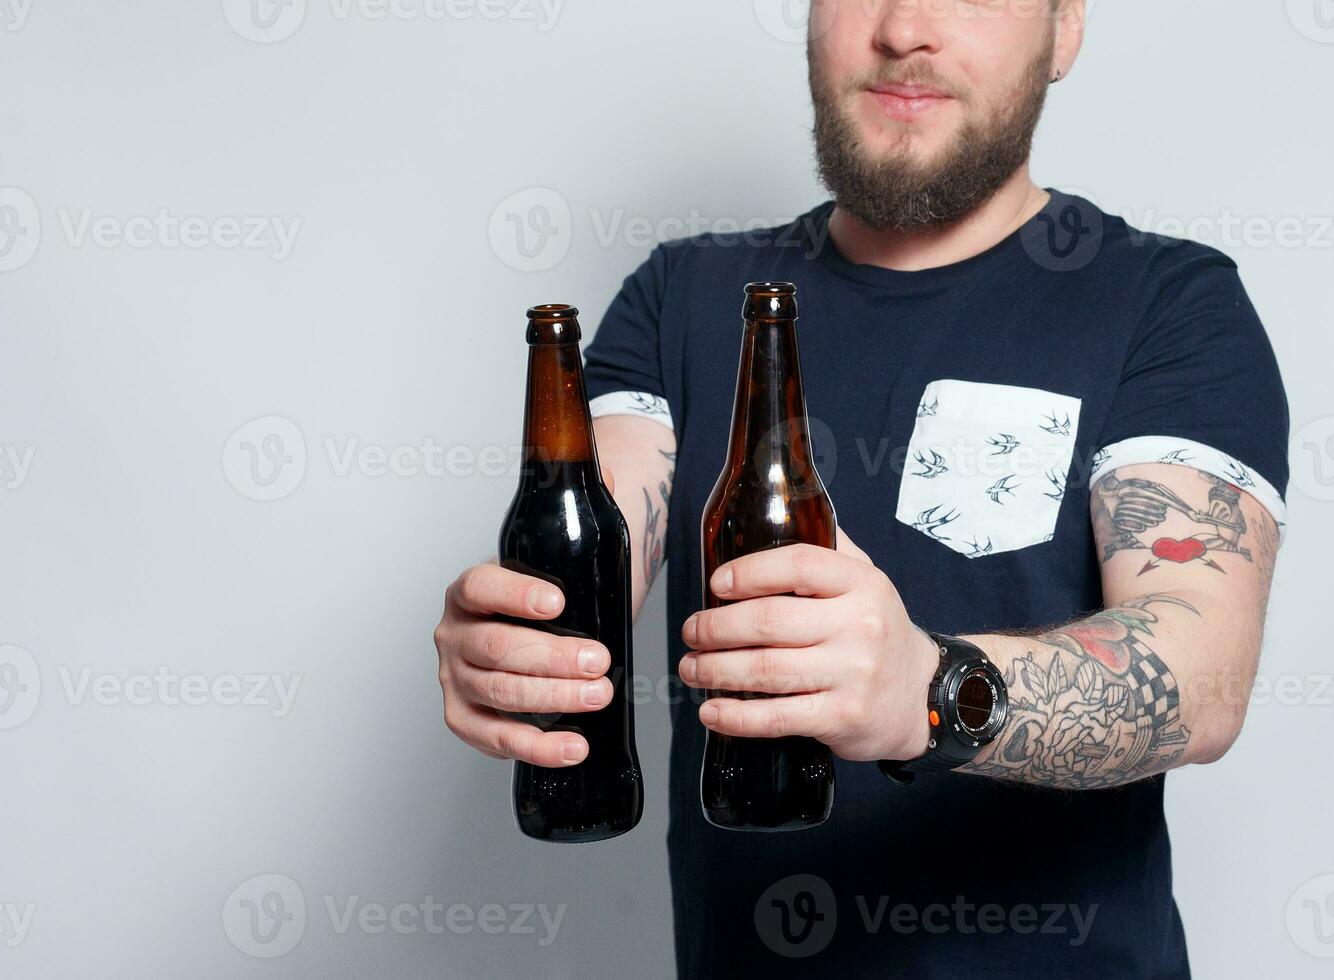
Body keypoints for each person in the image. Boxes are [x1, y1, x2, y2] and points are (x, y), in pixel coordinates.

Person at [433, 0, 1288, 975]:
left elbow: (1201, 667)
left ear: (1065, 30)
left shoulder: (1167, 302)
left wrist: (926, 689)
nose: (905, 26)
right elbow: (593, 536)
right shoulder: (687, 294)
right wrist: (522, 638)